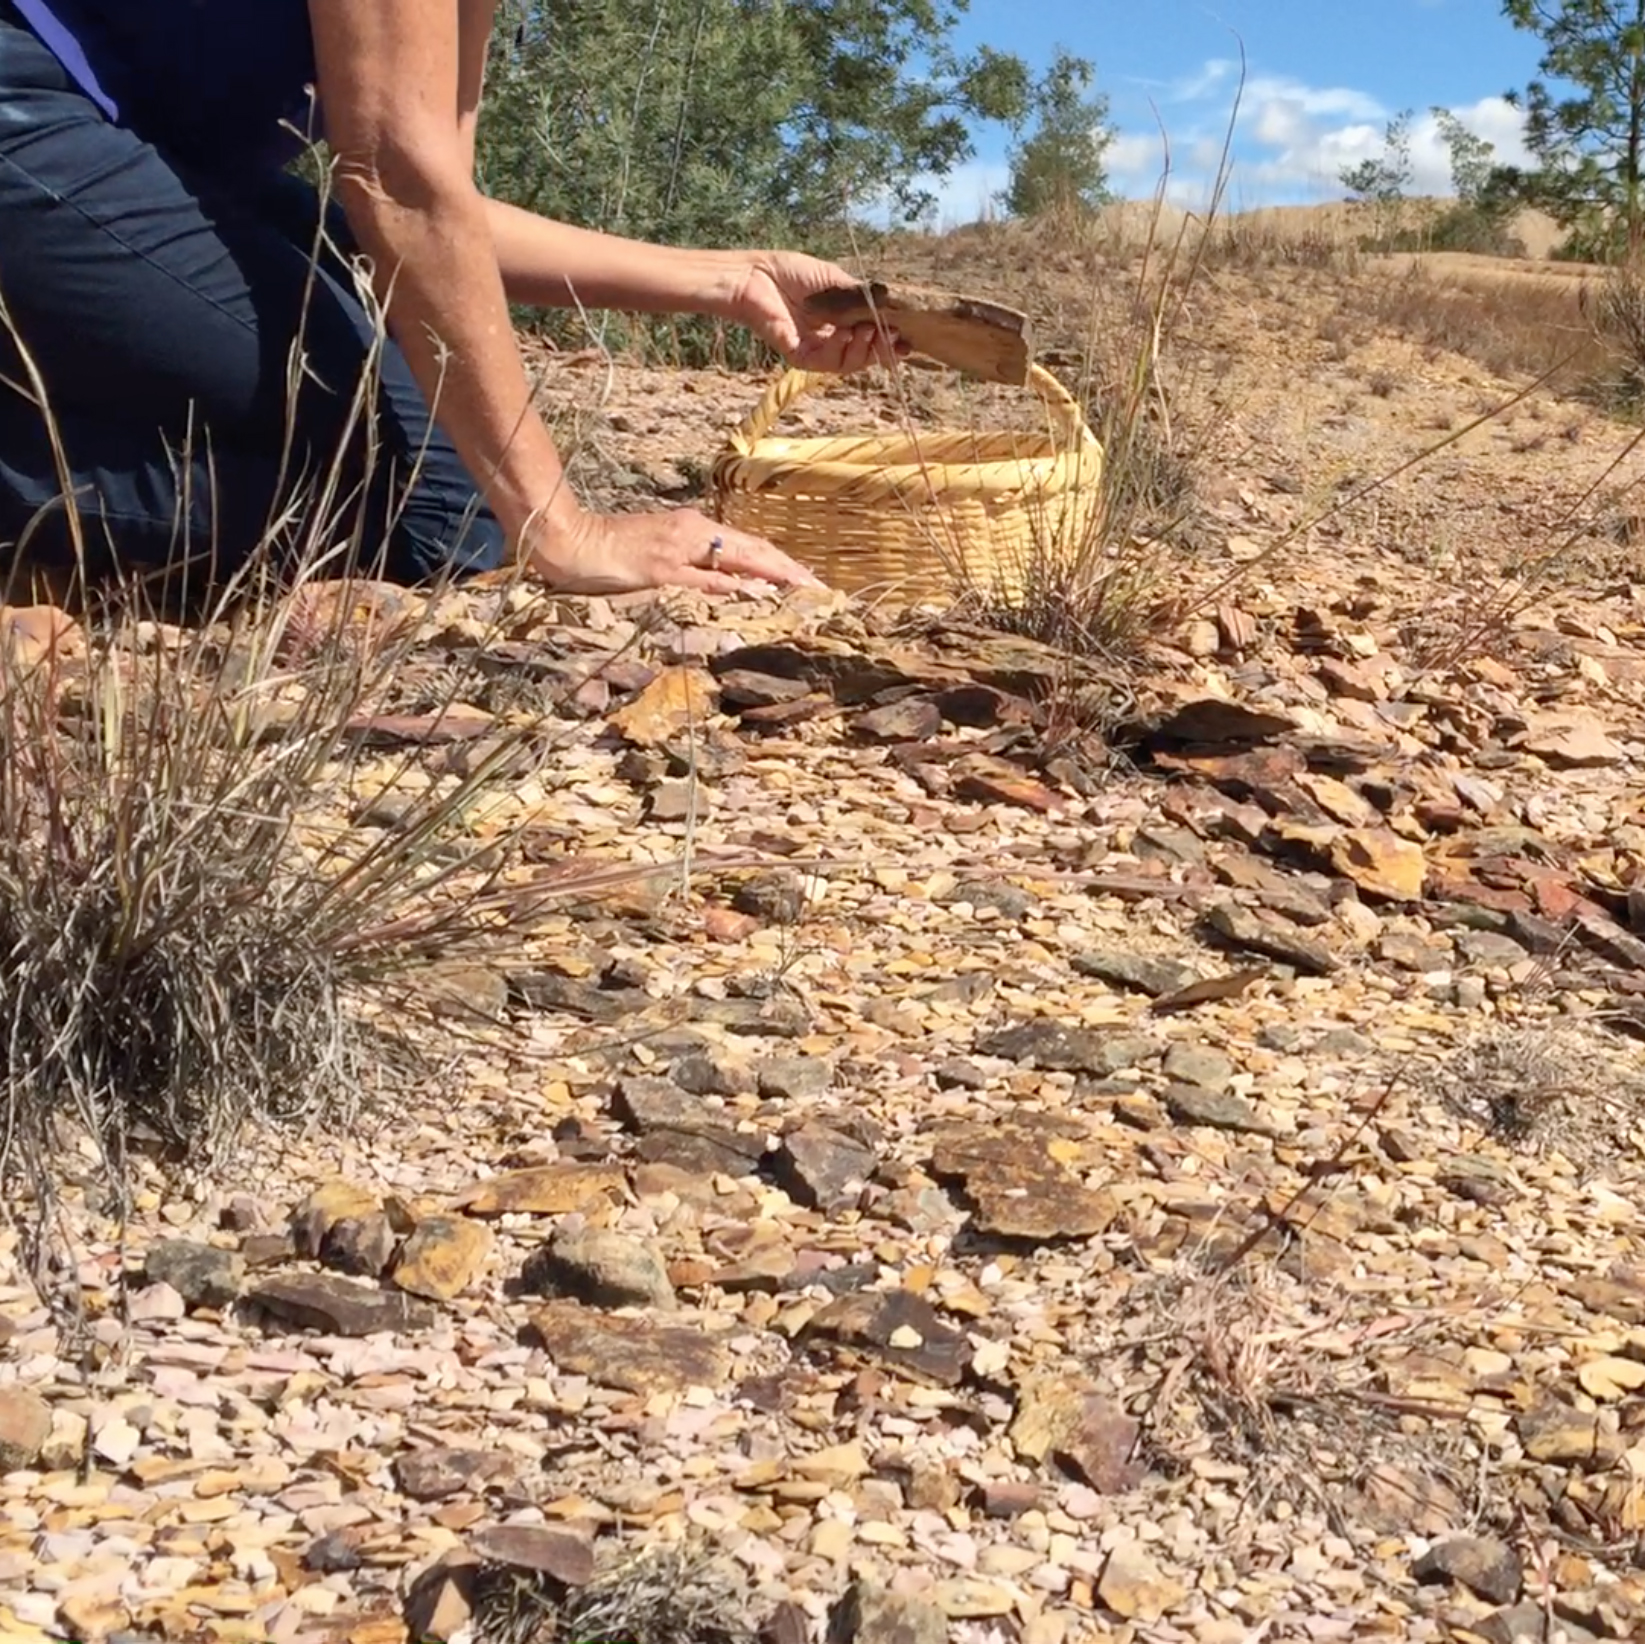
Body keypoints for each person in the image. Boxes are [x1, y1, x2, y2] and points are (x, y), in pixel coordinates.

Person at [0, 0, 900, 597]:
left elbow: (445, 213)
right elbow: (398, 182)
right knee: (448, 512)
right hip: (25, 105)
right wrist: (561, 528)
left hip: (128, 155)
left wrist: (735, 279)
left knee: (442, 483)